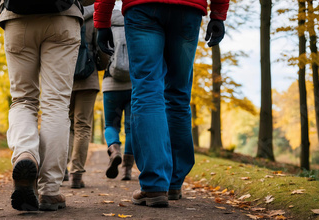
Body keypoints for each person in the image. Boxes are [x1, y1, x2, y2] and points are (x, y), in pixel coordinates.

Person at [94, 0, 229, 207]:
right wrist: (218, 14)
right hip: (188, 9)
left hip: (142, 9)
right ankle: (174, 183)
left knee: (147, 90)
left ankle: (155, 185)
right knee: (178, 94)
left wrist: (102, 21)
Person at [0, 0, 83, 211]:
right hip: (64, 17)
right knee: (56, 104)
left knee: (23, 99)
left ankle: (25, 153)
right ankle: (50, 190)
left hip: (17, 18)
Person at [66, 4, 101, 189]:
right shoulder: (95, 18)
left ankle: (59, 168)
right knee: (83, 126)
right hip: (89, 77)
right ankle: (76, 174)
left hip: (63, 77)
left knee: (65, 123)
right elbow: (103, 50)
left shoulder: (63, 11)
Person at [102, 9, 134, 181]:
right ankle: (126, 170)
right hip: (134, 84)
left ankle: (114, 149)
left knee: (110, 125)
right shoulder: (138, 20)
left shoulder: (107, 23)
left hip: (111, 84)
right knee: (131, 129)